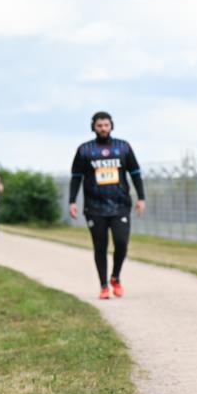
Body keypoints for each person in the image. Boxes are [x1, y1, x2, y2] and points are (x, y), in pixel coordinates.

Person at [69, 111, 146, 300]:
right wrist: (72, 201)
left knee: (121, 243)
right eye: (99, 126)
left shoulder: (123, 147)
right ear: (93, 127)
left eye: (106, 125)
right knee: (100, 247)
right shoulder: (85, 150)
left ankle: (115, 277)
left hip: (120, 204)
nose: (103, 129)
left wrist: (141, 198)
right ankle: (103, 285)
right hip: (94, 207)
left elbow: (135, 173)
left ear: (111, 126)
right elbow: (76, 178)